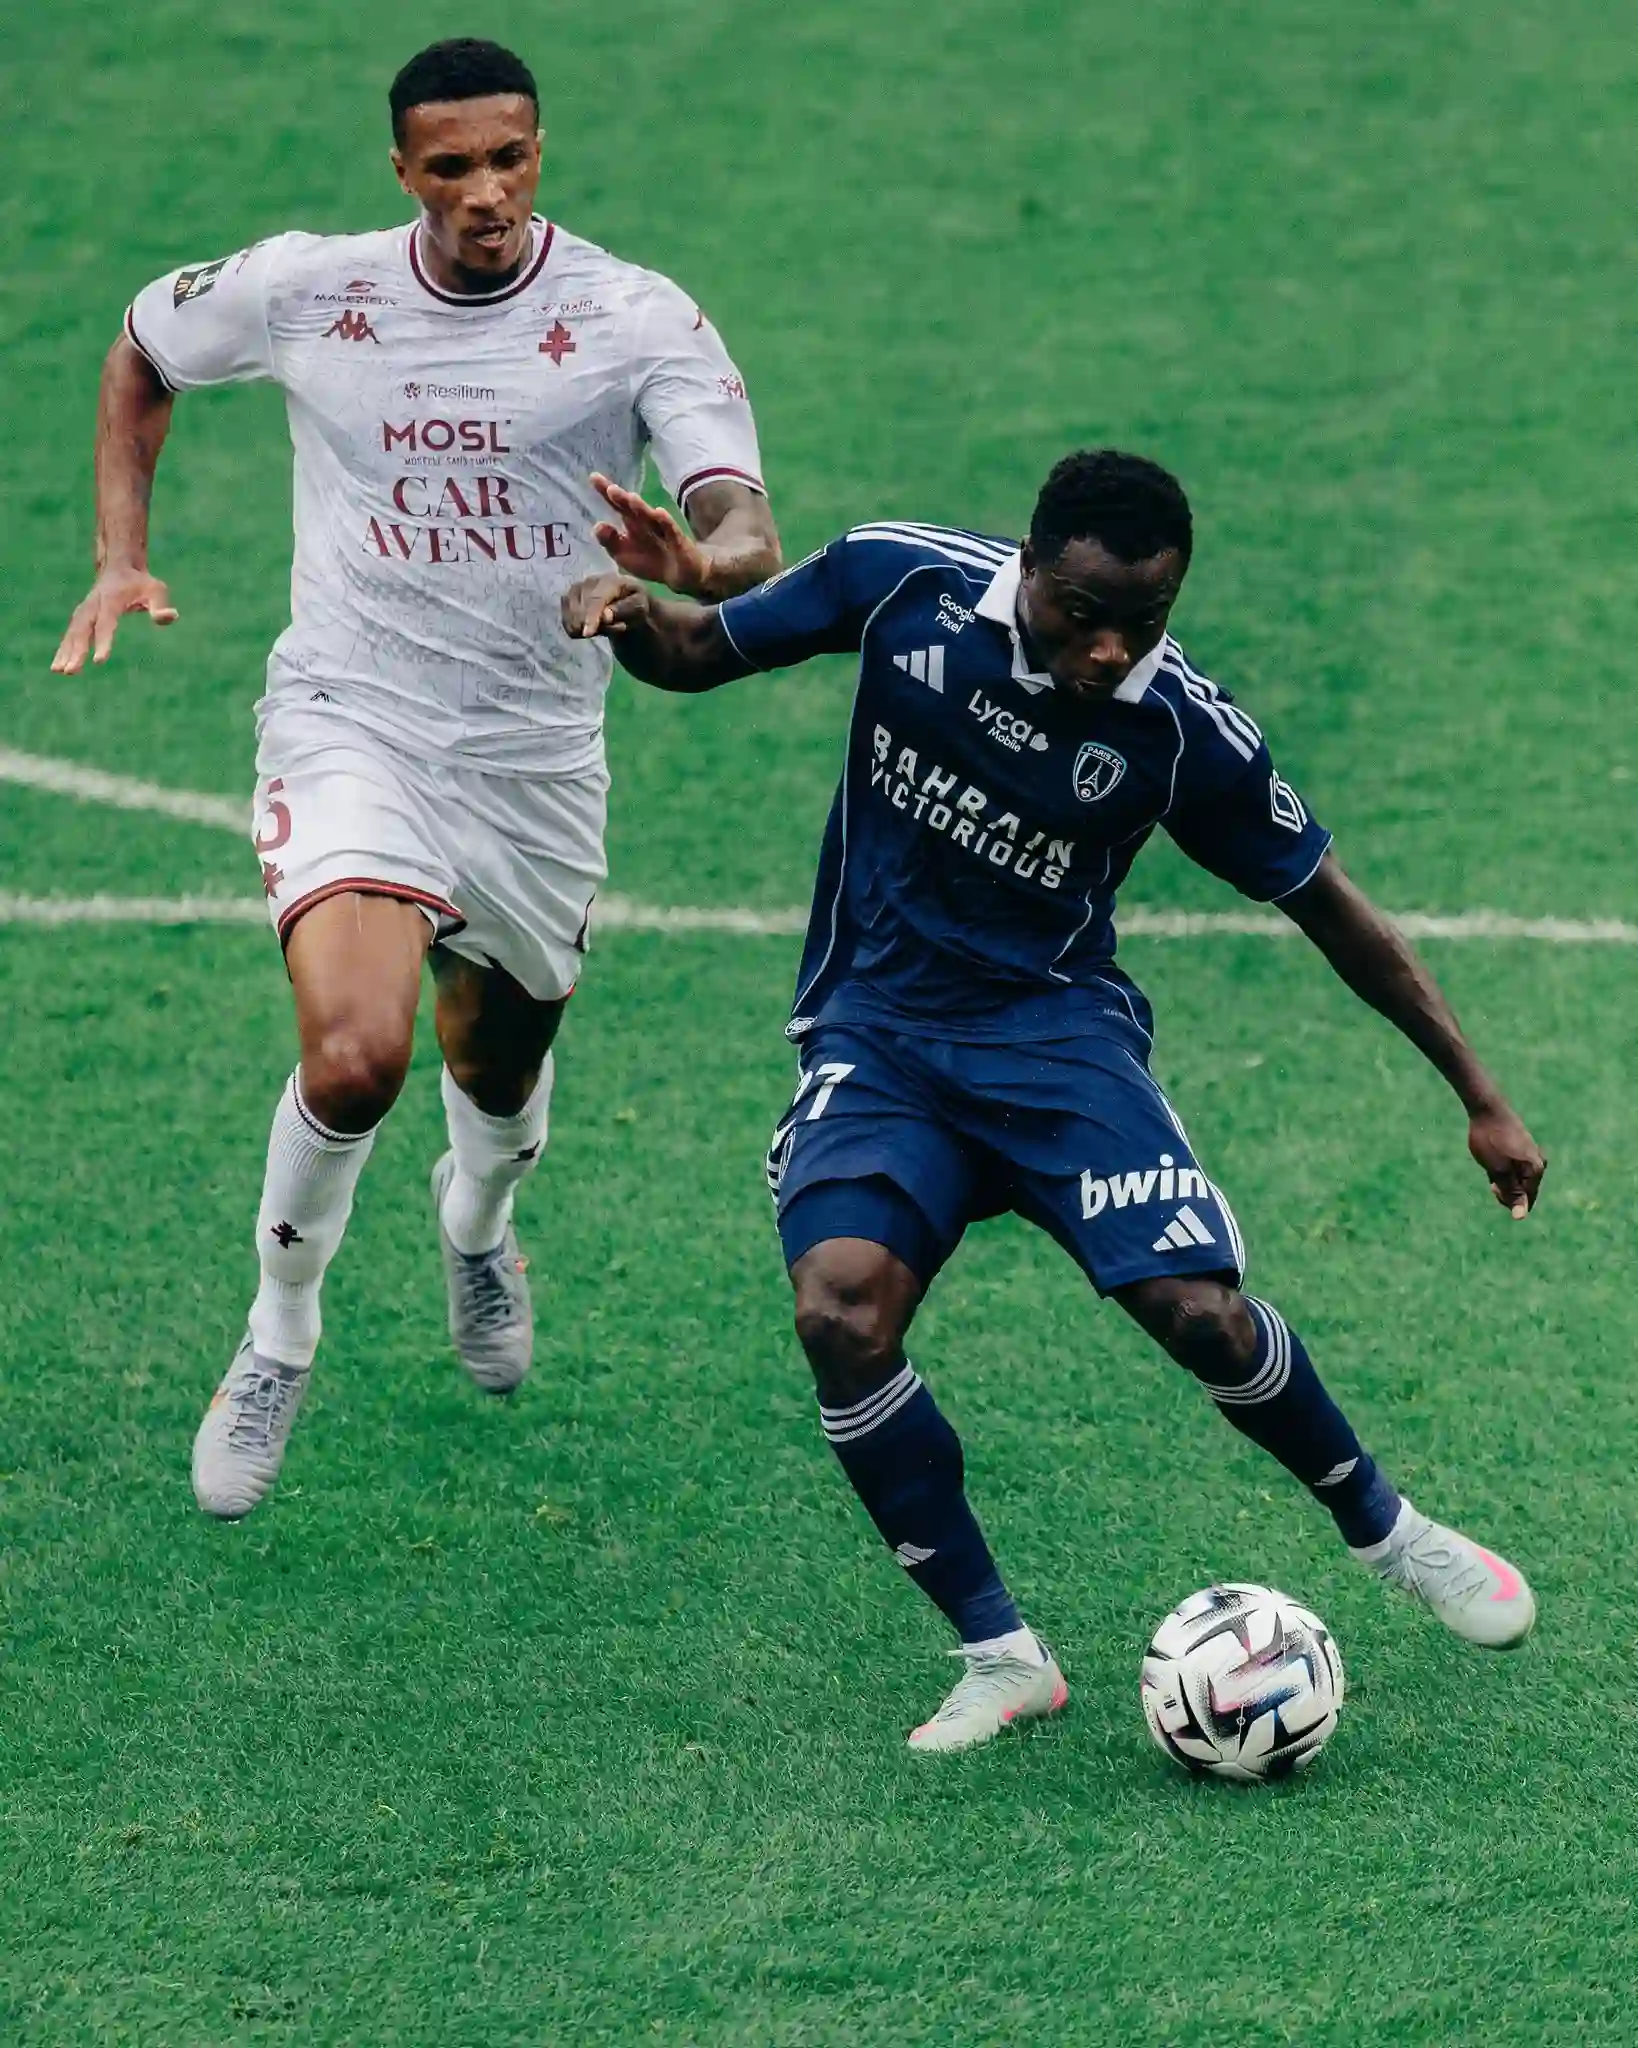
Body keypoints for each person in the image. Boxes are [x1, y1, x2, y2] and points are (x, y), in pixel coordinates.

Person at [561, 449, 1546, 1752]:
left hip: (1054, 1039)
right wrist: (632, 617)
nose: (1108, 651)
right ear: (1028, 568)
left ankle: (1391, 1533)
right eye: (1082, 616)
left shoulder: (1181, 727)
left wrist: (1478, 1094)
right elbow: (696, 652)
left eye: (1143, 621)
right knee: (840, 1312)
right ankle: (999, 1653)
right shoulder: (900, 580)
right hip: (880, 1033)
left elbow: (1328, 907)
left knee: (1198, 1313)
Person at [52, 38, 781, 1520]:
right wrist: (122, 555)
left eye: (508, 159)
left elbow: (745, 530)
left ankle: (477, 1226)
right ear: (403, 172)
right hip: (352, 720)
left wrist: (691, 567)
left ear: (539, 151)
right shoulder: (309, 286)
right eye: (450, 168)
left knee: (492, 1070)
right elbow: (142, 349)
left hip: (532, 759)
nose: (484, 193)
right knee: (353, 1057)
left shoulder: (632, 315)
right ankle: (278, 1336)